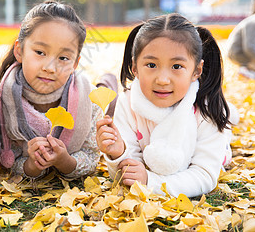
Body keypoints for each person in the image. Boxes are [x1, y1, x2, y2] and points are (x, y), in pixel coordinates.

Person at [96, 13, 237, 198]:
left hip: (214, 142)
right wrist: (118, 154)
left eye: (177, 66)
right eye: (151, 64)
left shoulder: (206, 110)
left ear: (197, 70)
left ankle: (231, 116)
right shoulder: (128, 102)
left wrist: (151, 182)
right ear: (135, 68)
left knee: (226, 121)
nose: (162, 80)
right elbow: (129, 175)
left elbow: (205, 176)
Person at [0, 1, 101, 180]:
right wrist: (31, 165)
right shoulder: (1, 102)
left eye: (63, 58)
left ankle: (108, 83)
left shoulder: (89, 100)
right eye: (40, 52)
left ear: (75, 63)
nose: (50, 68)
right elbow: (7, 159)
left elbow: (91, 156)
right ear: (19, 51)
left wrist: (65, 161)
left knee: (107, 97)